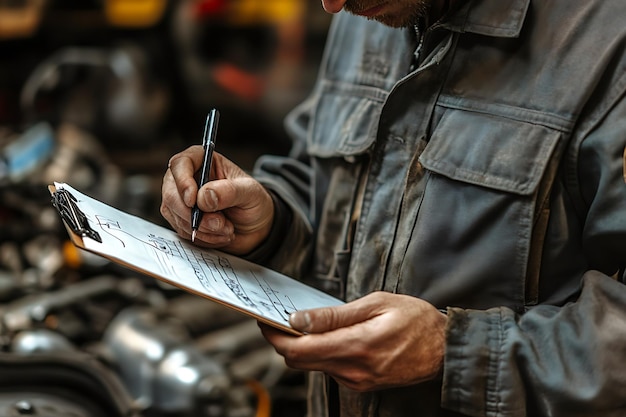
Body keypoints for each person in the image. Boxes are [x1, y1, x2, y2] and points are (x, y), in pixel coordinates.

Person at [161, 0, 626, 415]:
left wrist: (454, 351)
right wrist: (269, 224)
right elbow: (326, 181)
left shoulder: (608, 41)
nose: (331, 5)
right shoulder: (368, 12)